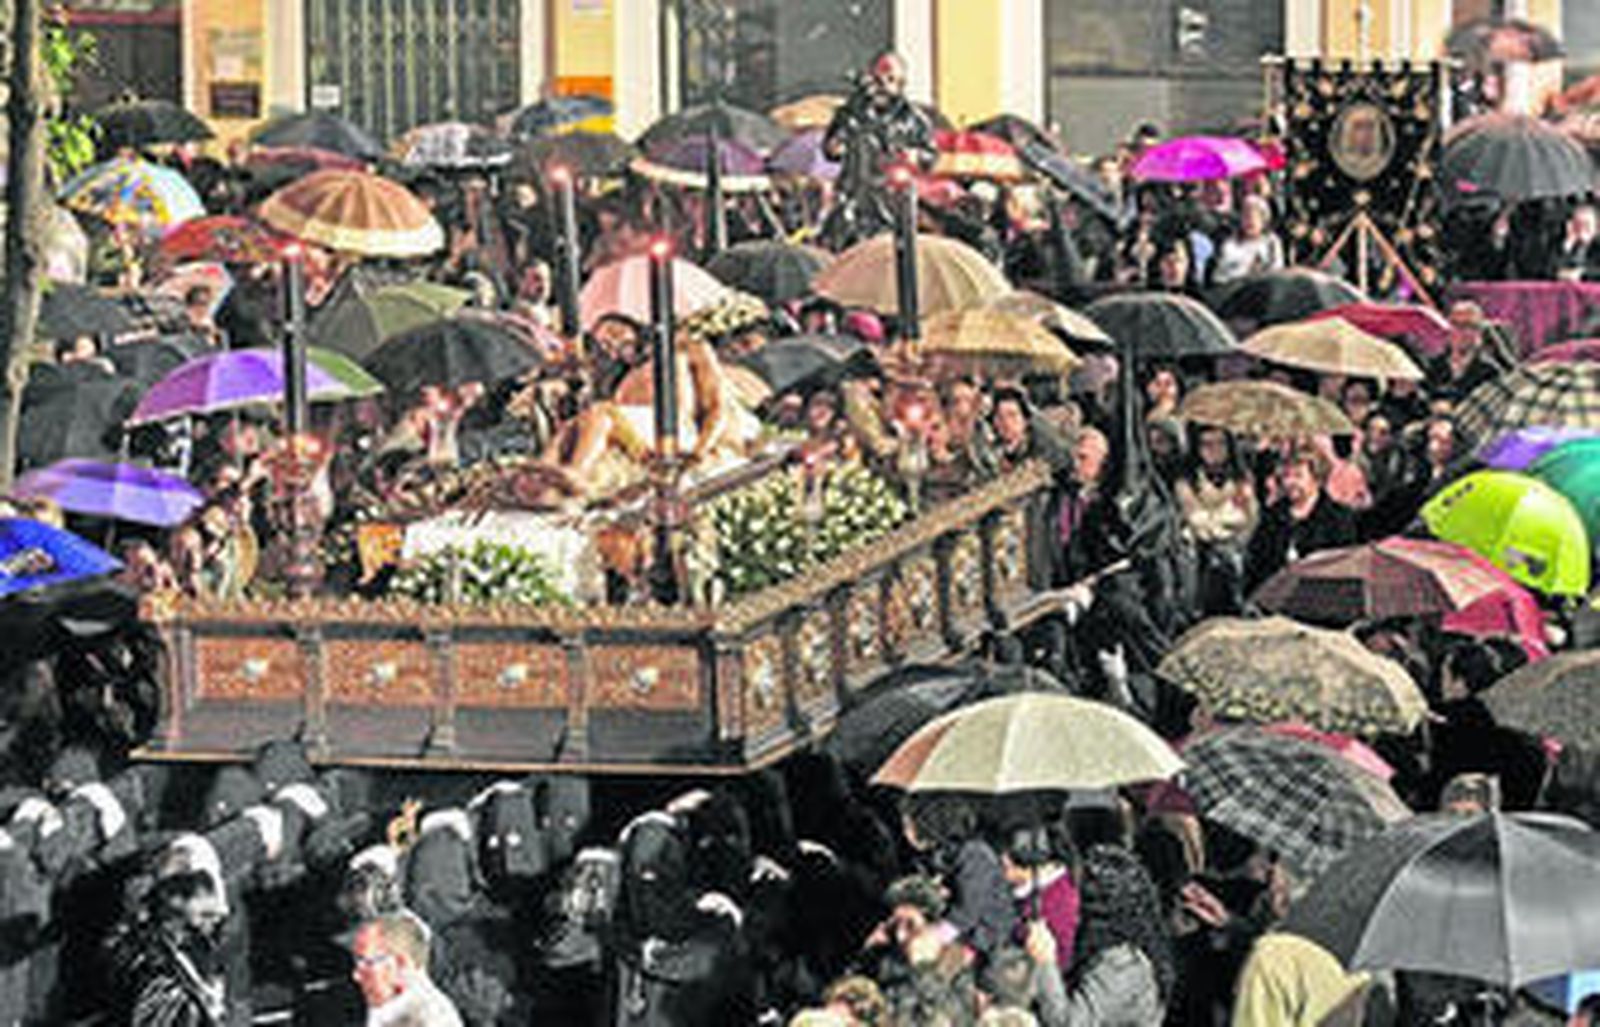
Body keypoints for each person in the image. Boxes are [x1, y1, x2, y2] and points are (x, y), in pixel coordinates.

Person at [820, 51, 936, 247]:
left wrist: (914, 156)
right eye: (877, 78)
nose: (882, 85)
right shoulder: (850, 113)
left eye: (890, 79)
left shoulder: (914, 120)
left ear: (901, 83)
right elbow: (830, 147)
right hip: (853, 197)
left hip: (892, 201)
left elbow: (930, 156)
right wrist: (835, 147)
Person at [1245, 444, 1357, 591]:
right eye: (1286, 476)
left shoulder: (1338, 517)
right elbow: (1257, 561)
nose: (1290, 483)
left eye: (1298, 476)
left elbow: (1342, 564)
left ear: (1317, 479)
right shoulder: (1273, 515)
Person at [1175, 426, 1258, 615]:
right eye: (1207, 445)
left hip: (1236, 549)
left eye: (1221, 444)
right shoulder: (1186, 481)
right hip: (1198, 551)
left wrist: (1220, 519)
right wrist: (1227, 516)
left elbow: (1249, 519)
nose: (1214, 450)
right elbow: (1196, 522)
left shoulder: (1243, 478)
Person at [349, 911, 464, 1027]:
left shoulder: (423, 1018)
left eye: (367, 963)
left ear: (401, 964)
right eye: (358, 961)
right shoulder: (392, 1002)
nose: (356, 976)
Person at [1425, 302, 1502, 405]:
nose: (1461, 332)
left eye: (1468, 326)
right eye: (1455, 325)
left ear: (1478, 331)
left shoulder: (1490, 371)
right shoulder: (1434, 365)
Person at [1211, 196, 1286, 285]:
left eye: (1253, 218)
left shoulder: (1271, 242)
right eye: (1245, 217)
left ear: (1263, 220)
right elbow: (1221, 274)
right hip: (1232, 288)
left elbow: (1277, 270)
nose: (1248, 222)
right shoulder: (1231, 242)